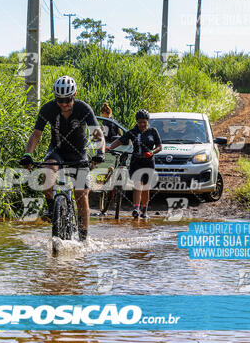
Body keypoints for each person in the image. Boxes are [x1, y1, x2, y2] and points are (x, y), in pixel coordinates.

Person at [19, 76, 105, 241]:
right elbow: (36, 135)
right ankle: (53, 208)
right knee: (47, 173)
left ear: (74, 95)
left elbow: (98, 134)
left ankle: (84, 238)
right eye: (60, 100)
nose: (64, 104)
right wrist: (27, 154)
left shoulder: (83, 109)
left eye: (67, 100)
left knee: (81, 193)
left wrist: (100, 153)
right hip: (56, 150)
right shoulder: (47, 109)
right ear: (55, 98)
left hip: (79, 153)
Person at [106, 109, 162, 219]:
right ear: (136, 121)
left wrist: (152, 152)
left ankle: (144, 210)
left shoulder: (153, 131)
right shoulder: (133, 132)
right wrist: (110, 147)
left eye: (144, 122)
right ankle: (136, 208)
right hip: (136, 161)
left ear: (147, 121)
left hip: (149, 162)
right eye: (139, 122)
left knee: (146, 187)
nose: (141, 124)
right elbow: (120, 140)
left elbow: (159, 146)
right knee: (137, 184)